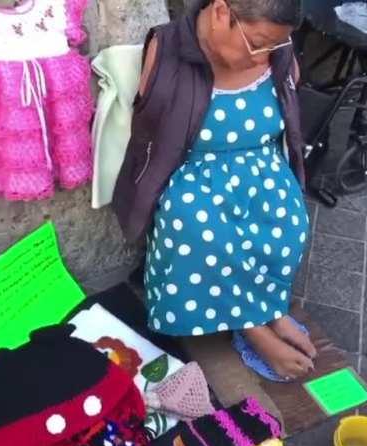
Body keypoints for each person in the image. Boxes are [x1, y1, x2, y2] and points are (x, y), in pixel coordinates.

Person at [113, 0, 317, 381]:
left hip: (259, 161)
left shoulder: (279, 50)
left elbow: (286, 112)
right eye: (258, 43)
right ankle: (253, 330)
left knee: (287, 220)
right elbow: (150, 135)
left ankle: (270, 308)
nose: (266, 55)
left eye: (275, 45)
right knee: (202, 229)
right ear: (222, 12)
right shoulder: (168, 47)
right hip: (194, 169)